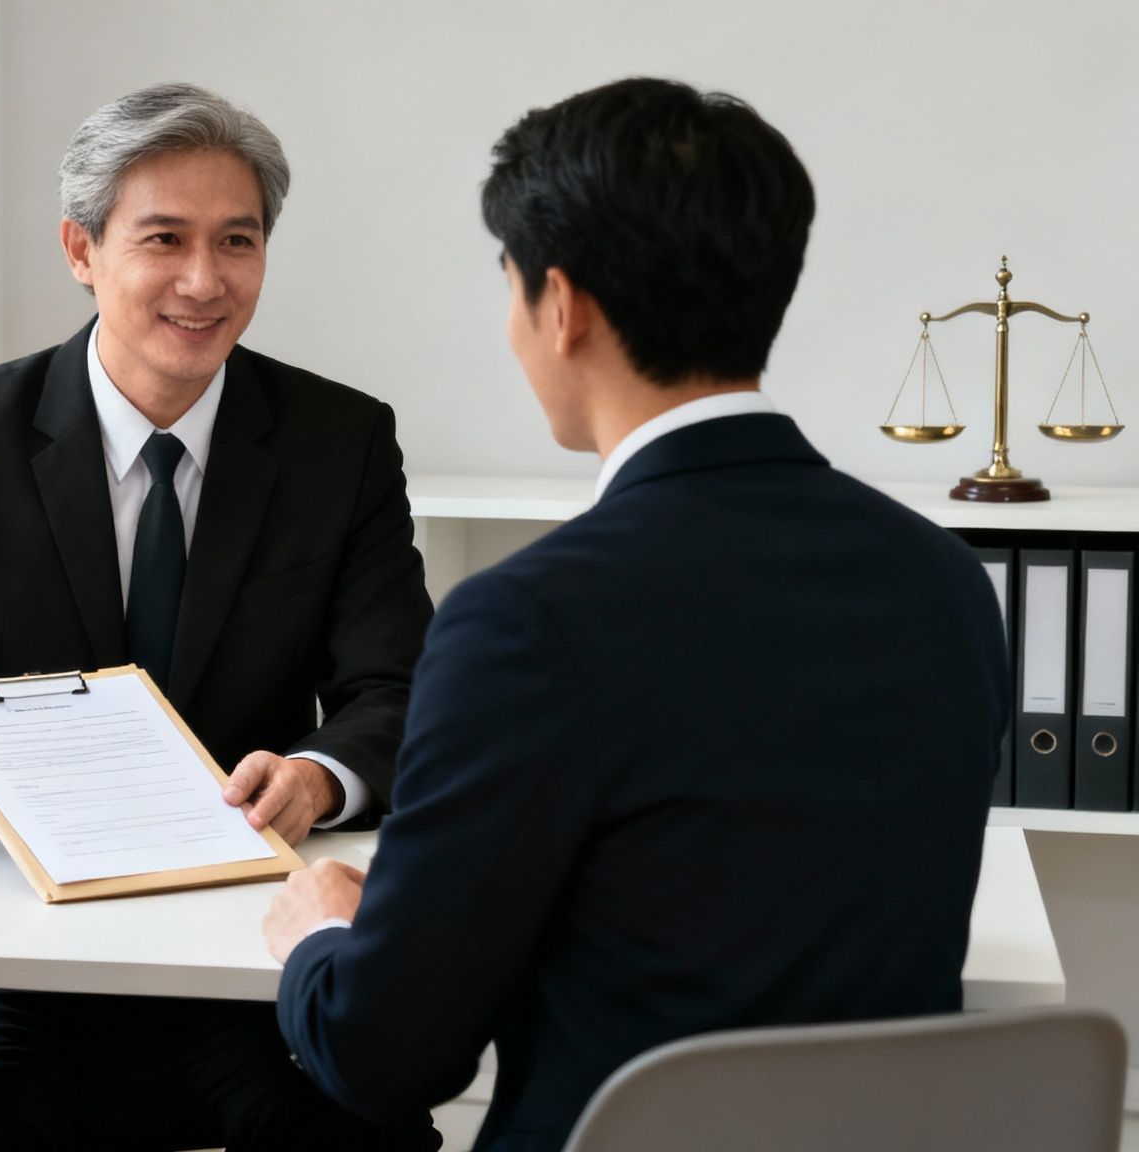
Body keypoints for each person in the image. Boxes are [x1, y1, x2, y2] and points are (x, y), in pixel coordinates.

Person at [265, 78, 1010, 1152]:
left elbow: (382, 1057)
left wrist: (318, 939)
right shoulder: (941, 582)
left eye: (508, 286)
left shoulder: (523, 623)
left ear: (559, 306)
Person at [0, 84, 437, 1150]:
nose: (204, 281)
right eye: (164, 239)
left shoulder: (339, 443)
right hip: (13, 961)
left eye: (235, 241)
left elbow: (398, 692)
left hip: (244, 949)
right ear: (80, 248)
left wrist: (317, 776)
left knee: (366, 1124)